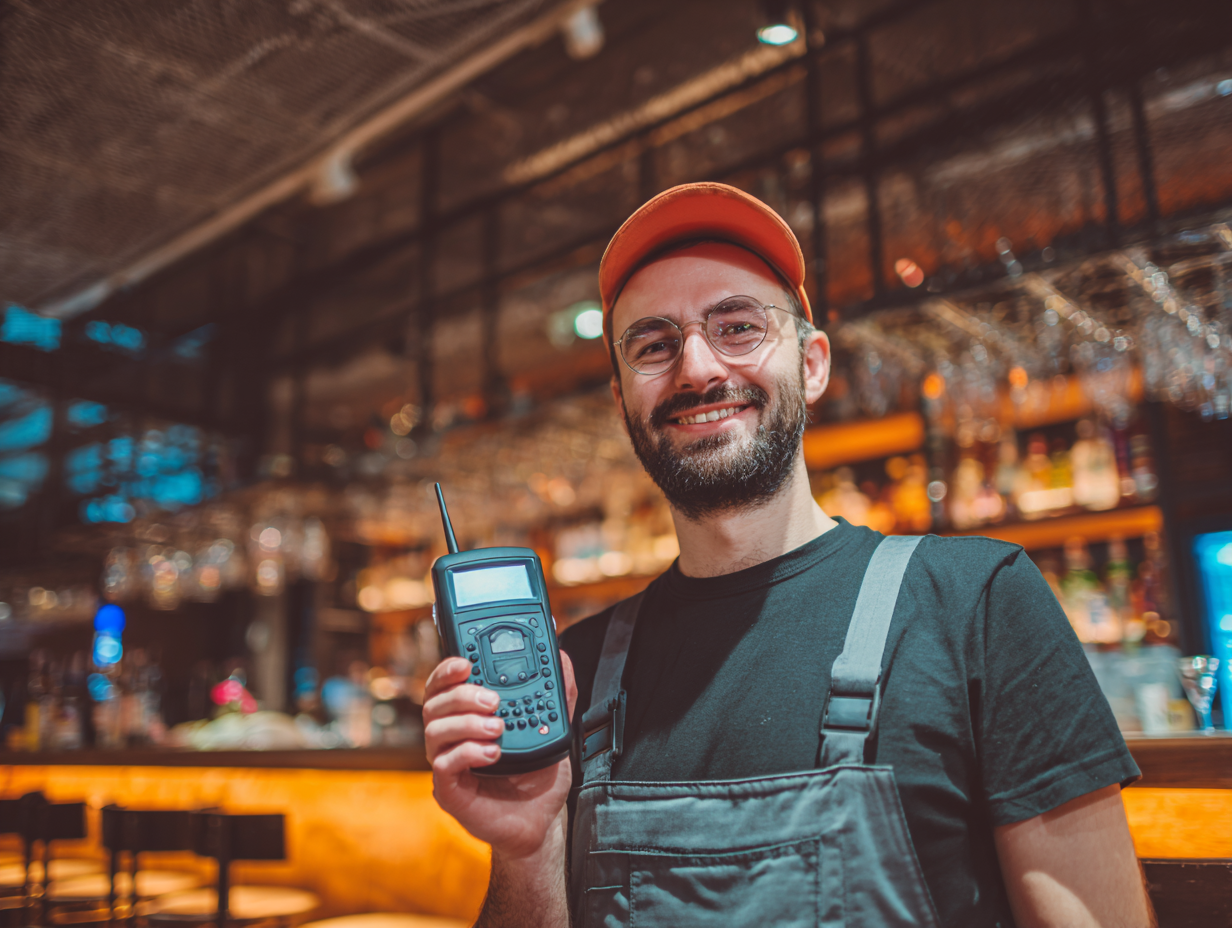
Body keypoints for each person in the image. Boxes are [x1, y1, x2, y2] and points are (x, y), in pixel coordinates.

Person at [423, 182, 1152, 927]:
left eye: (738, 327)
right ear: (621, 403)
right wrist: (529, 846)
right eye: (654, 345)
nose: (696, 368)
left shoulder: (978, 604)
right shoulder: (574, 675)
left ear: (812, 364)